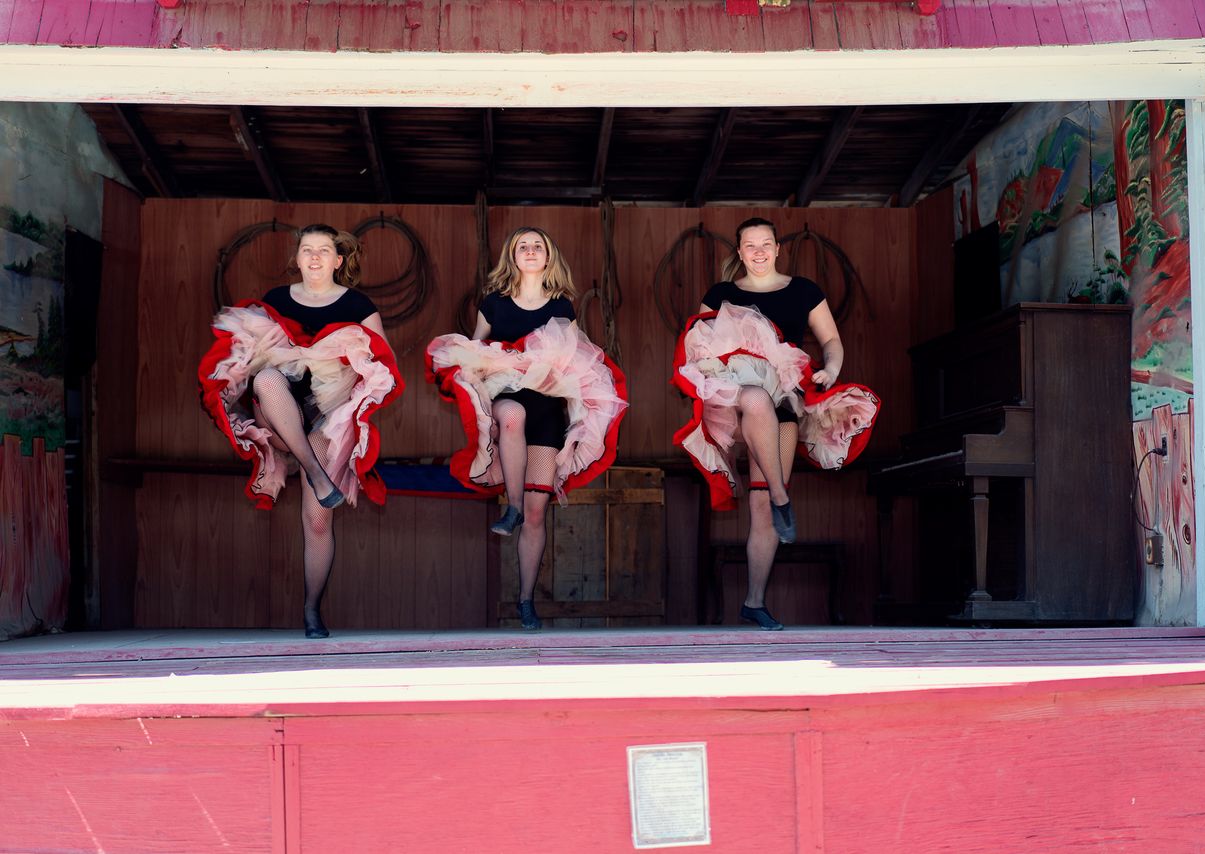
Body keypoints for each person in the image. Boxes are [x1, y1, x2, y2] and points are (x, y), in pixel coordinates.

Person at [674, 217, 878, 631]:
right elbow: (698, 343)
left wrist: (832, 370)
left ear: (778, 248)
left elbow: (831, 340)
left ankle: (754, 600)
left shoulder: (803, 290)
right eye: (750, 245)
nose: (759, 252)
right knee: (752, 397)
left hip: (784, 393)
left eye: (766, 244)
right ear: (739, 251)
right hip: (732, 397)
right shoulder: (721, 293)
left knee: (761, 504)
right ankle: (785, 497)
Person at [199, 224, 401, 639]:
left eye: (323, 251)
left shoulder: (357, 303)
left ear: (338, 260)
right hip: (279, 405)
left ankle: (311, 609)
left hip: (328, 412)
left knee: (317, 521)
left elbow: (384, 364)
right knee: (268, 379)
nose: (314, 258)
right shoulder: (276, 299)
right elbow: (249, 355)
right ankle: (311, 468)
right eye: (306, 250)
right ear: (298, 257)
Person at [427, 226, 627, 630]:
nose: (531, 251)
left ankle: (525, 600)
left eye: (538, 246)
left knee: (539, 515)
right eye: (523, 246)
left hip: (548, 407)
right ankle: (511, 505)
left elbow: (579, 360)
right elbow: (472, 351)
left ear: (549, 256)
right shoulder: (494, 304)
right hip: (507, 396)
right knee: (513, 415)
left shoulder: (561, 306)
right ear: (512, 257)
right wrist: (500, 363)